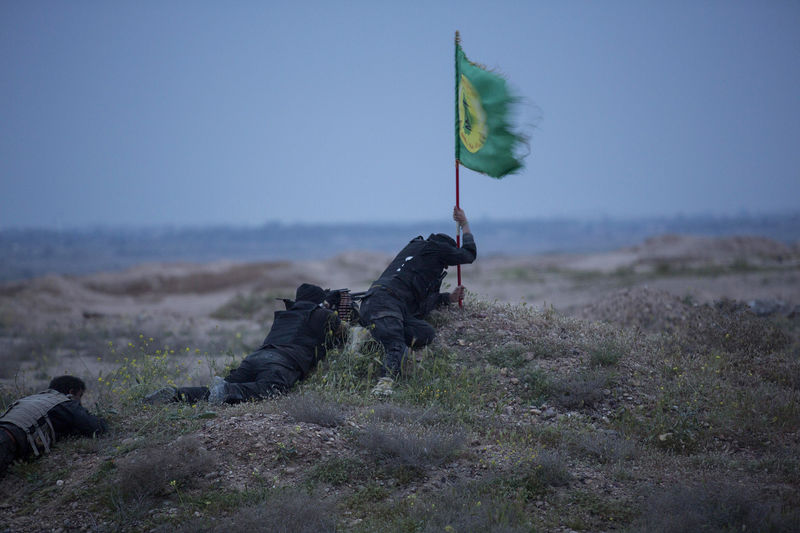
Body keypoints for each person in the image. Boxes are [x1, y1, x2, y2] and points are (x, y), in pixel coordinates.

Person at [145, 283, 348, 405]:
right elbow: (345, 332)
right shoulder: (321, 314)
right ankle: (228, 392)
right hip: (281, 363)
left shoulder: (286, 315)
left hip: (255, 358)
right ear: (320, 303)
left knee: (215, 392)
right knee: (269, 392)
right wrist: (330, 306)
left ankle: (178, 394)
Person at [359, 206, 477, 396]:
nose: (445, 266)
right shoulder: (436, 250)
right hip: (385, 303)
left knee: (425, 333)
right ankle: (384, 384)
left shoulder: (416, 250)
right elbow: (469, 254)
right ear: (445, 251)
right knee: (396, 345)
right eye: (446, 262)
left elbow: (419, 302)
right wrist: (464, 224)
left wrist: (448, 298)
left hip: (376, 302)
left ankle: (372, 336)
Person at [0, 375, 108, 476]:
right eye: (80, 396)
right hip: (7, 440)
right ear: (71, 392)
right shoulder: (63, 402)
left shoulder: (29, 399)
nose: (80, 402)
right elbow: (96, 426)